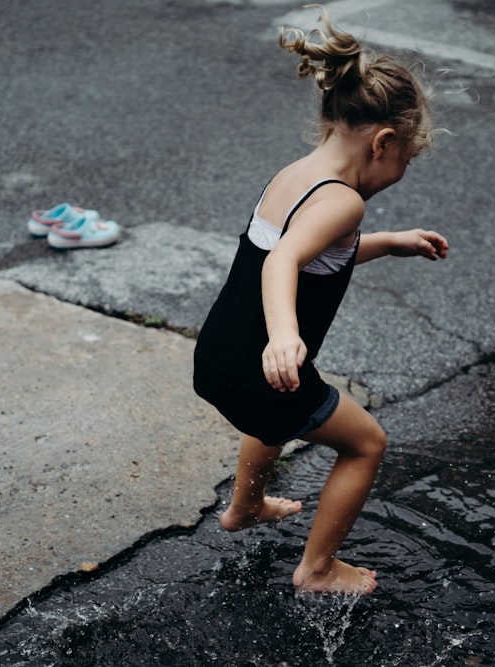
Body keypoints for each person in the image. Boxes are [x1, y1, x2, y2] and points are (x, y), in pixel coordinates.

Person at [193, 5, 449, 596]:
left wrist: (389, 244)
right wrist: (285, 336)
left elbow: (307, 254)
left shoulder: (296, 176)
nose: (402, 170)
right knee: (366, 444)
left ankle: (245, 507)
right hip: (262, 365)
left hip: (221, 359)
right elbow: (285, 262)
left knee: (279, 402)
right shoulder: (344, 202)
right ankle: (319, 569)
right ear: (384, 142)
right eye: (406, 160)